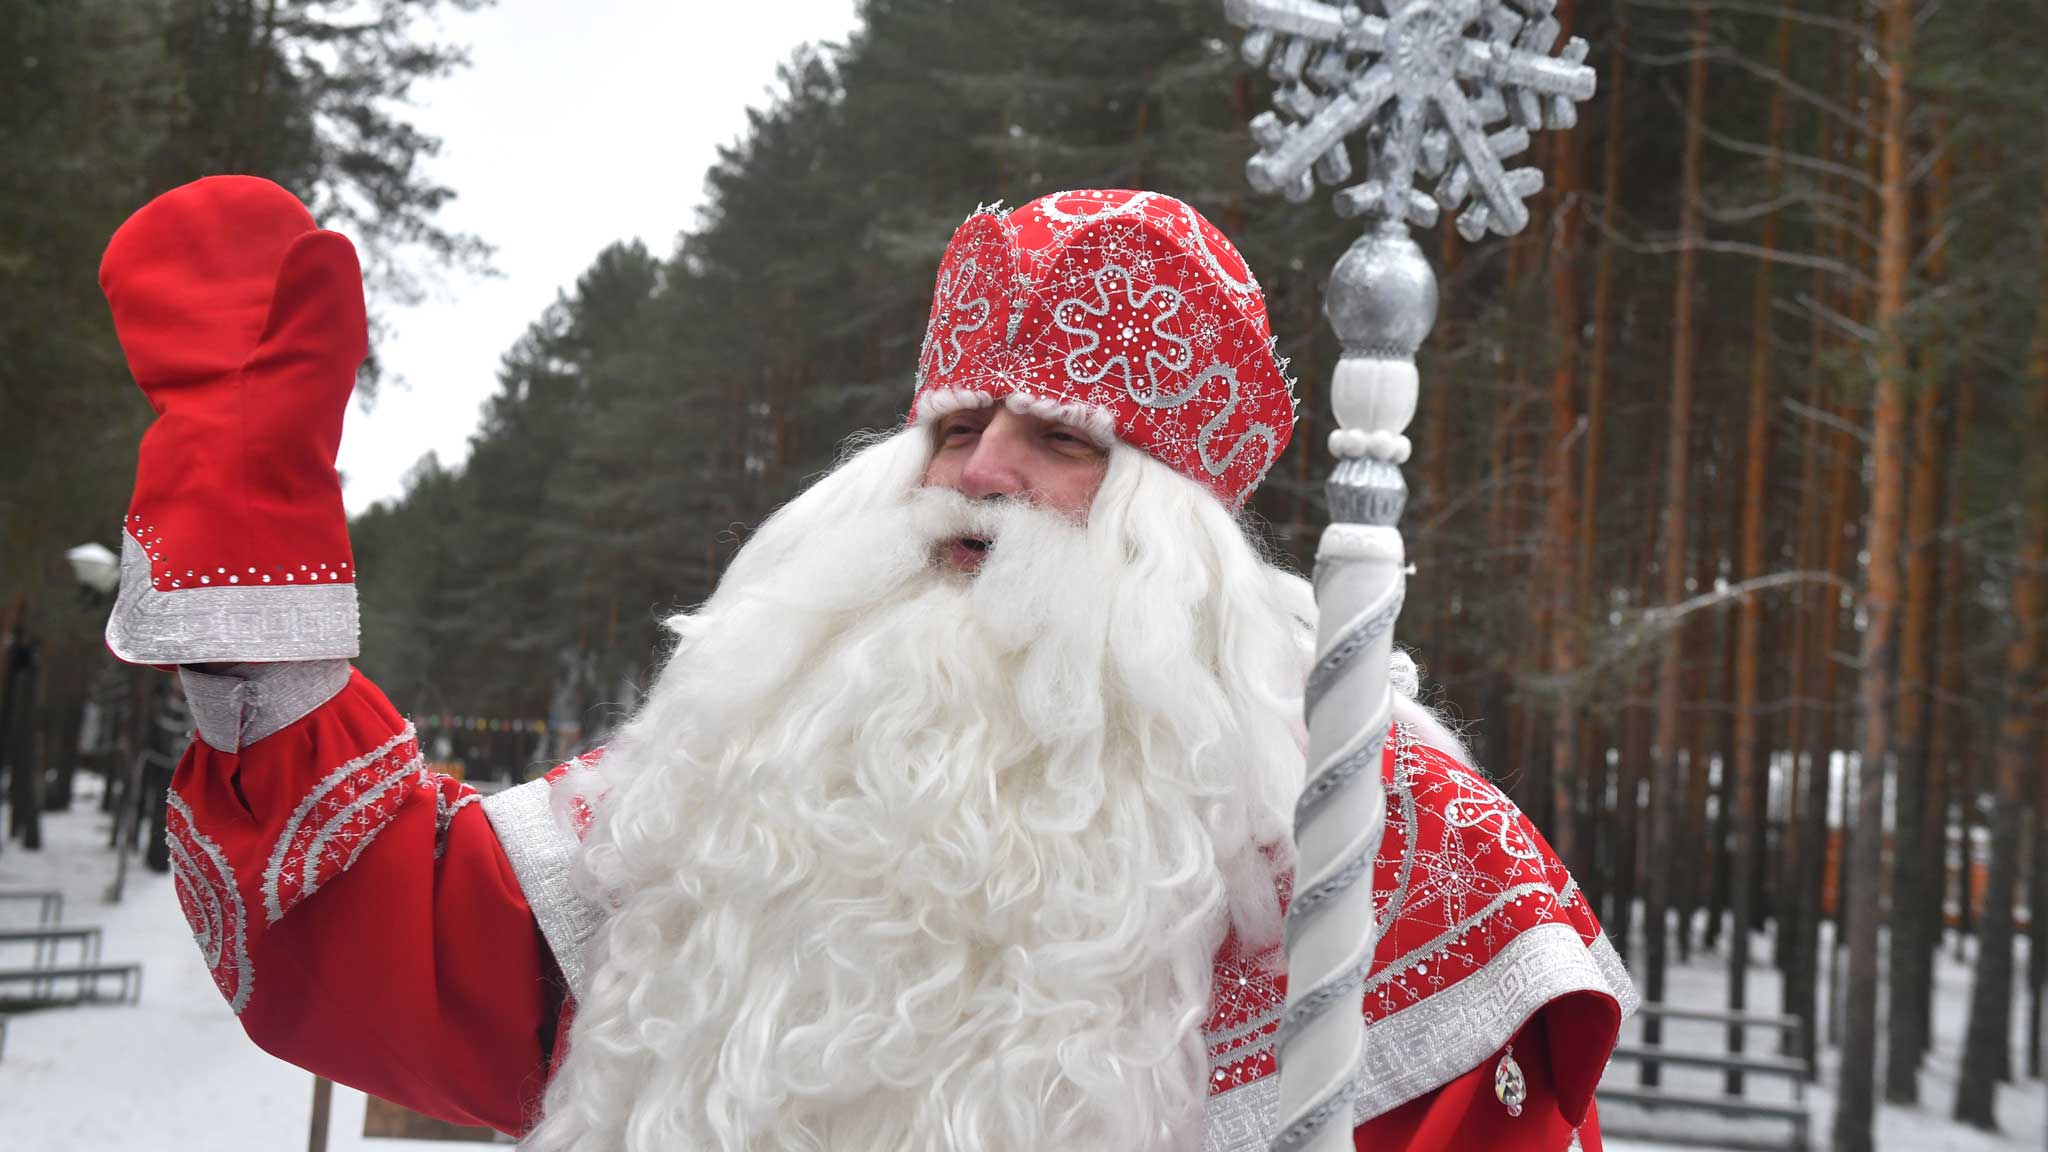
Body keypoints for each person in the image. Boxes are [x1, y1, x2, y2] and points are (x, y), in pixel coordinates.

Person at [99, 176, 1634, 1152]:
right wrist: (255, 553)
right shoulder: (741, 780)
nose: (983, 471)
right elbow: (390, 944)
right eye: (956, 427)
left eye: (1060, 441)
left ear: (1175, 524)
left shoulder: (1374, 848)